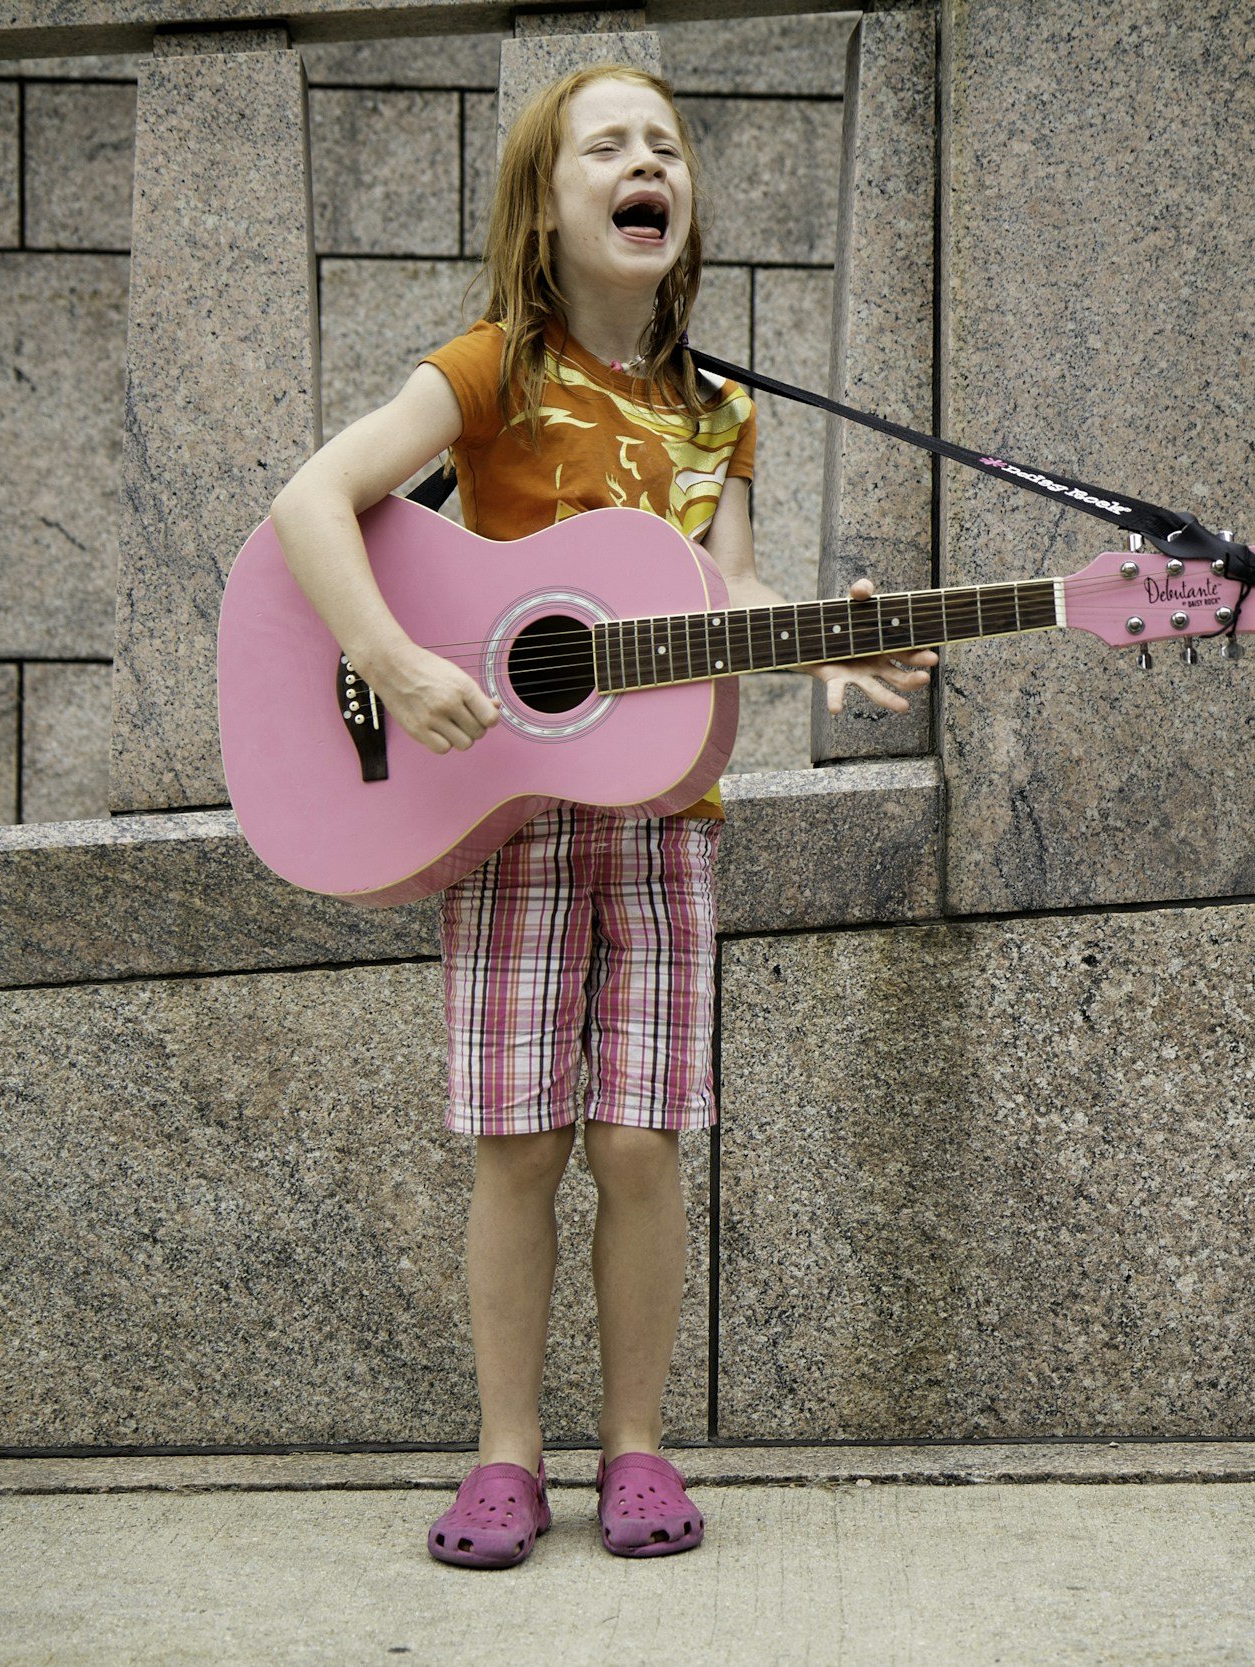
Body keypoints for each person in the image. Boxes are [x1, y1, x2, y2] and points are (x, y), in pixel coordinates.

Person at [268, 63, 935, 1568]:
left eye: (667, 145)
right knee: (521, 1144)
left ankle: (637, 1447)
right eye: (607, 147)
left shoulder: (720, 411)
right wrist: (390, 655)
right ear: (547, 206)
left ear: (681, 203)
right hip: (501, 810)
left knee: (640, 1146)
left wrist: (815, 632)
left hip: (664, 818)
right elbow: (313, 500)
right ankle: (506, 1456)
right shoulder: (493, 367)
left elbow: (730, 589)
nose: (647, 162)